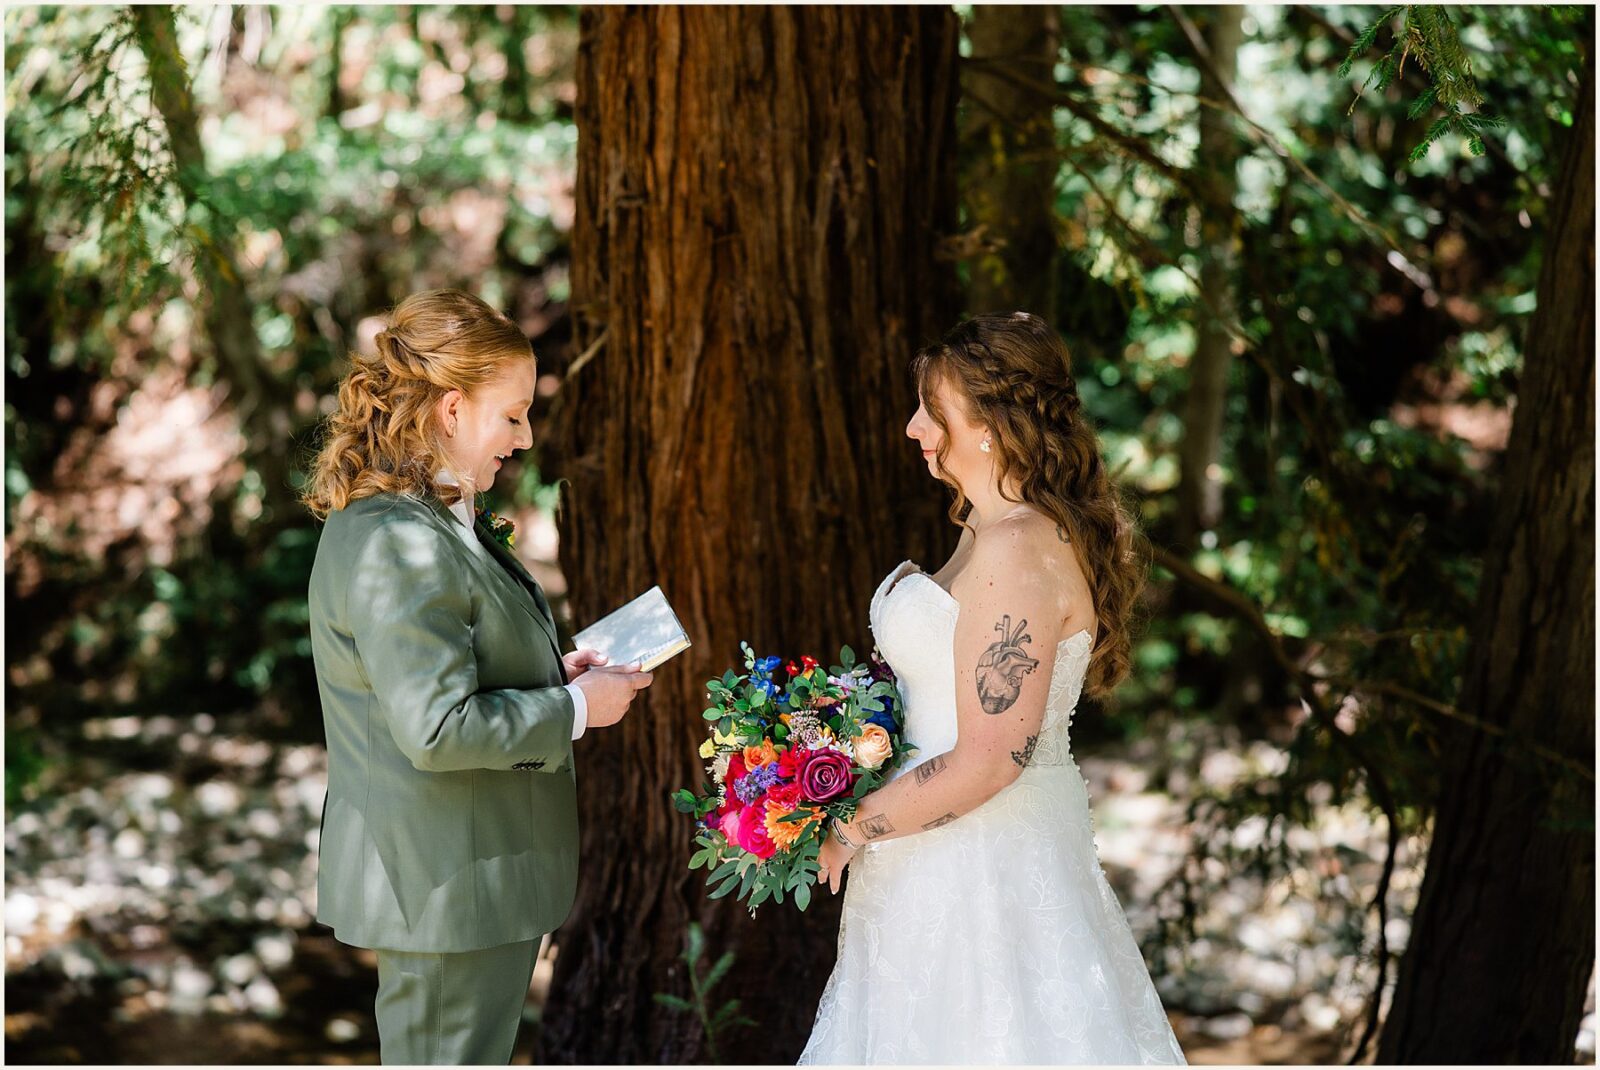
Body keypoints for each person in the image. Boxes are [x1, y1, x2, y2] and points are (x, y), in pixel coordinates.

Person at [800, 312, 1186, 1065]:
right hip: (930, 854)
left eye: (932, 409)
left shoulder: (1016, 549)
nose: (914, 427)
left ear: (990, 424)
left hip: (982, 867)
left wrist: (849, 828)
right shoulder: (989, 528)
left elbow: (991, 757)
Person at [301, 289, 652, 1064]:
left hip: (468, 886)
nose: (525, 438)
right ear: (452, 411)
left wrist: (551, 673)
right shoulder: (396, 539)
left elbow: (443, 674)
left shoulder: (431, 521)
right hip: (441, 890)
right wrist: (573, 710)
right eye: (513, 414)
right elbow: (434, 729)